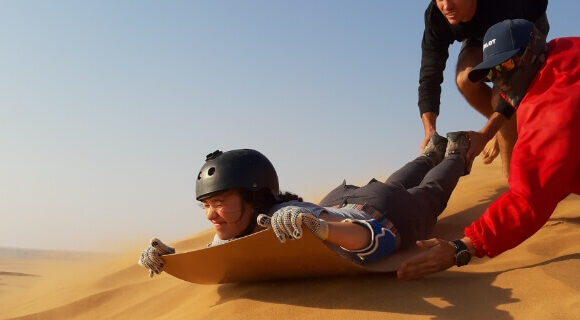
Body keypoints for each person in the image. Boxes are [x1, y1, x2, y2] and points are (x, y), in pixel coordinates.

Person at [139, 133, 471, 277]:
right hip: (343, 200)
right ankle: (430, 152)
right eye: (206, 205)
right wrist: (170, 259)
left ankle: (454, 153)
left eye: (220, 202)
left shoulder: (283, 217)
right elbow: (216, 256)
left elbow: (373, 238)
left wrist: (322, 229)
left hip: (382, 213)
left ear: (254, 198)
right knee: (392, 183)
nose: (211, 214)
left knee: (430, 192)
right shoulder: (241, 224)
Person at [398, 19, 580, 280]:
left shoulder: (553, 110)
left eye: (504, 66)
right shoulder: (563, 50)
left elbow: (528, 200)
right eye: (491, 74)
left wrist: (462, 248)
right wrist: (487, 133)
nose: (499, 81)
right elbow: (513, 88)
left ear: (532, 52)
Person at [419, 0, 549, 177]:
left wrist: (486, 133)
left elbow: (510, 91)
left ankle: (513, 181)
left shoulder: (513, 6)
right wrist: (430, 130)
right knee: (465, 80)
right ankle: (504, 129)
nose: (446, 6)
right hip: (480, 38)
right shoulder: (436, 16)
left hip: (522, 28)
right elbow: (430, 73)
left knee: (499, 97)